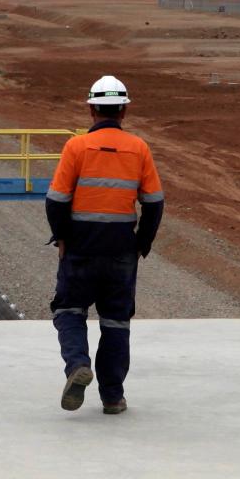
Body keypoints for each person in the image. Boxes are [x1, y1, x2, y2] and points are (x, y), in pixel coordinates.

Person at [45, 75, 163, 415]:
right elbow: (154, 203)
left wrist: (62, 237)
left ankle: (78, 366)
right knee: (115, 323)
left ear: (91, 108)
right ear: (123, 110)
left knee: (69, 310)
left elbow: (55, 200)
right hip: (121, 248)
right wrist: (142, 243)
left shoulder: (76, 147)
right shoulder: (139, 148)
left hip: (81, 245)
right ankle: (112, 397)